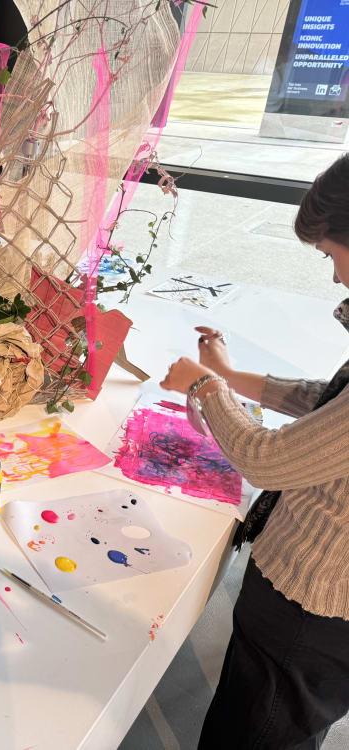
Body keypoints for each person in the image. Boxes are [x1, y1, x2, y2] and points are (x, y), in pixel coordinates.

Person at [161, 154, 349, 749]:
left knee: (261, 728)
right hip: (313, 609)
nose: (337, 277)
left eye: (330, 254)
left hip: (312, 612)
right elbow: (329, 406)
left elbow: (266, 459)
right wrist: (234, 376)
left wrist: (204, 385)